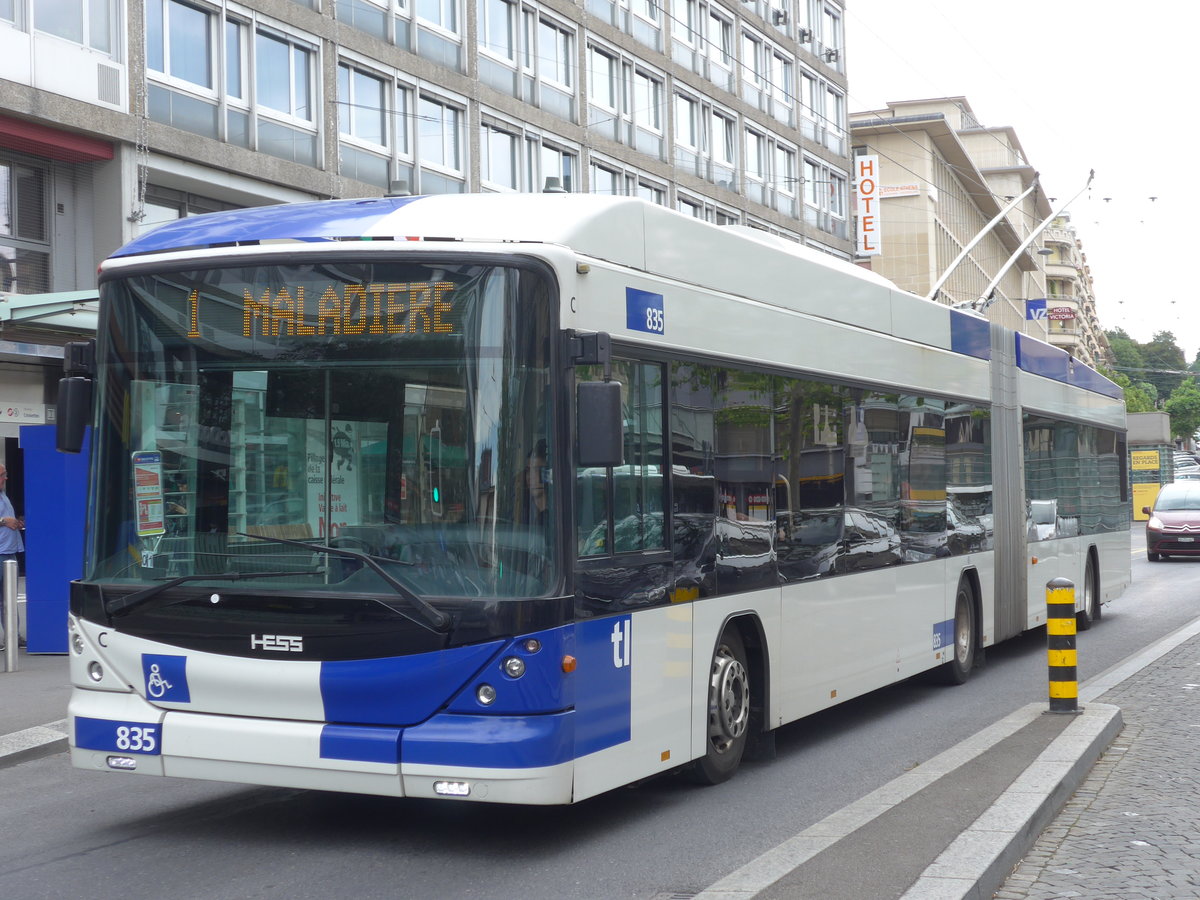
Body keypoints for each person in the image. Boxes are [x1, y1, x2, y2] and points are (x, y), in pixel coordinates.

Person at [0, 464, 24, 649]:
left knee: (9, 598)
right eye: (3, 475)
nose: (6, 478)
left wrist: (15, 522)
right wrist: (3, 521)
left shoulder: (3, 496)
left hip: (9, 552)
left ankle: (13, 637)